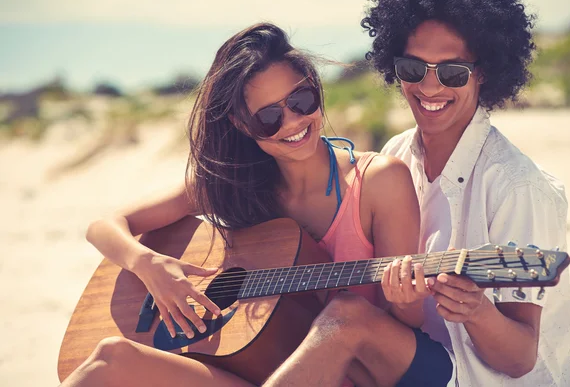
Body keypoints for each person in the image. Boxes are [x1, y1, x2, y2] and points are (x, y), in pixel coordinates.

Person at [60, 22, 452, 387]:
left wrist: (408, 297)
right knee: (111, 358)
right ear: (240, 124)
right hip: (270, 367)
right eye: (268, 118)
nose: (293, 122)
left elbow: (408, 323)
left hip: (378, 368)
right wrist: (150, 265)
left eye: (301, 99)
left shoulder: (378, 180)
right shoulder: (235, 185)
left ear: (315, 87)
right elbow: (106, 225)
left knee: (345, 314)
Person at [264, 0, 570, 386]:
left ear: (483, 72)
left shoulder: (518, 188)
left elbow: (519, 360)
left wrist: (476, 311)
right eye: (413, 69)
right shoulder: (396, 156)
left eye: (452, 73)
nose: (429, 87)